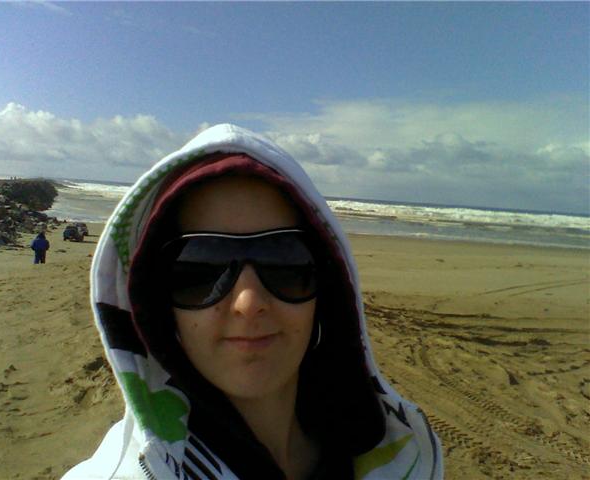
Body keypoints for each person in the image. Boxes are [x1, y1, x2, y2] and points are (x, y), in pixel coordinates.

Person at [63, 124, 443, 479]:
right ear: (161, 307)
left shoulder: (406, 461)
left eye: (284, 262)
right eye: (199, 270)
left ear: (326, 290)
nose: (248, 302)